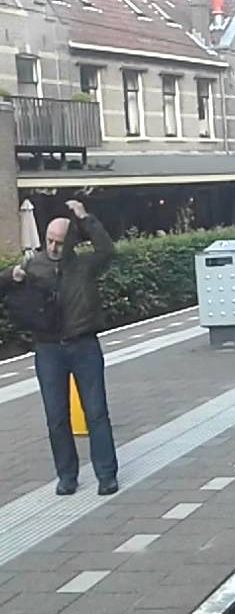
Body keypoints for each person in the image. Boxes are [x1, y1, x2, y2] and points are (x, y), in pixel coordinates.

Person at [0, 200, 119, 496]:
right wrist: (9, 277)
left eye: (59, 242)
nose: (53, 247)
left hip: (83, 344)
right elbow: (5, 287)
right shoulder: (33, 266)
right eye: (50, 241)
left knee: (96, 412)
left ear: (69, 243)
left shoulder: (83, 266)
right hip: (48, 349)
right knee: (56, 417)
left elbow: (107, 251)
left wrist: (84, 217)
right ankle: (67, 476)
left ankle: (106, 474)